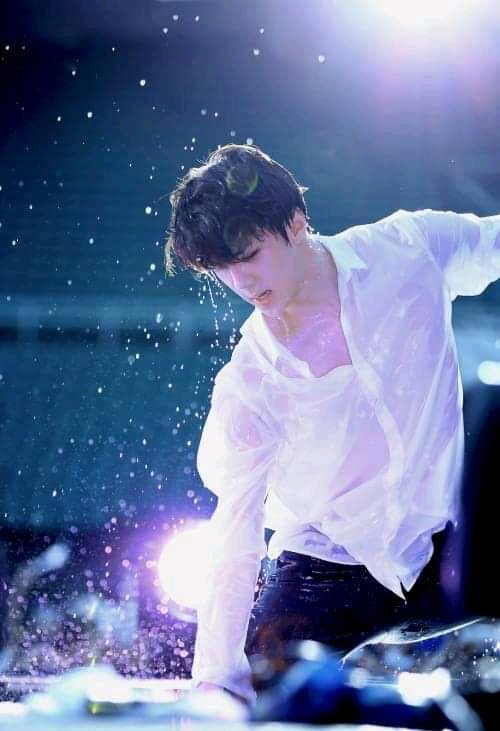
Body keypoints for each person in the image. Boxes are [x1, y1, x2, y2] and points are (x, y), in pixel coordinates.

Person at [164, 143, 500, 704]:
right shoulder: (251, 381)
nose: (241, 281)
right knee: (260, 693)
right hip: (329, 565)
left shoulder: (410, 248)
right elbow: (236, 533)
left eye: (249, 255)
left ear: (296, 222)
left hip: (448, 536)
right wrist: (216, 678)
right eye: (221, 269)